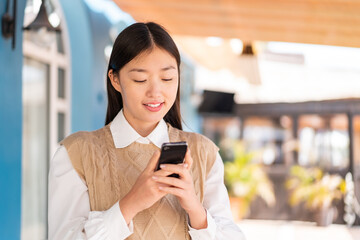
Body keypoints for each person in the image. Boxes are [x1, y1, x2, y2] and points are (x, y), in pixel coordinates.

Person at [48, 22, 245, 240]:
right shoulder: (77, 154)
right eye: (140, 79)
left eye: (167, 78)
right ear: (115, 79)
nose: (156, 92)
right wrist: (130, 203)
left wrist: (194, 208)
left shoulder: (204, 153)